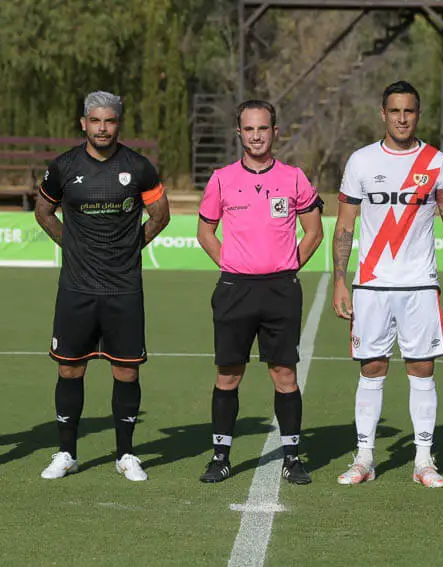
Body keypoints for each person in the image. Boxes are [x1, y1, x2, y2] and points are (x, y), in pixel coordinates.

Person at [331, 81, 443, 487]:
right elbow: (344, 225)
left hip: (420, 285)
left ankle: (424, 461)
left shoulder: (438, 162)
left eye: (409, 111)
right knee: (371, 369)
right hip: (371, 285)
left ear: (418, 114)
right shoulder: (360, 161)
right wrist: (340, 281)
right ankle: (365, 459)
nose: (402, 118)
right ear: (383, 114)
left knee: (422, 369)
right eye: (395, 111)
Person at [34, 91, 170, 482]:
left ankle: (126, 454)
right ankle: (66, 453)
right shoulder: (63, 167)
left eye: (109, 121)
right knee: (69, 371)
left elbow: (161, 215)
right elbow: (43, 211)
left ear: (118, 124)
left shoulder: (138, 167)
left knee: (126, 373)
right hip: (77, 288)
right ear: (83, 123)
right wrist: (71, 244)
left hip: (123, 288)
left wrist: (131, 246)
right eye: (95, 121)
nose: (102, 128)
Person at [196, 99, 324, 484]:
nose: (256, 136)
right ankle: (220, 457)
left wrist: (287, 265)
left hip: (280, 290)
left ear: (275, 132)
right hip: (235, 289)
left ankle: (291, 456)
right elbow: (205, 232)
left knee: (284, 373)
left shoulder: (295, 178)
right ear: (240, 133)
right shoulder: (221, 178)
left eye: (263, 129)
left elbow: (314, 231)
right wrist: (231, 263)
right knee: (228, 374)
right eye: (249, 129)